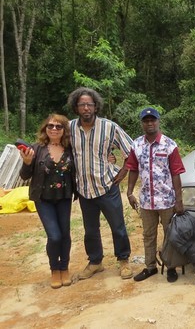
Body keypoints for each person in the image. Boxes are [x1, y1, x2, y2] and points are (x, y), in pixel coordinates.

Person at [68, 87, 134, 280]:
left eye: (90, 104)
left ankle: (123, 261)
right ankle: (95, 262)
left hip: (107, 186)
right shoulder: (70, 128)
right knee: (90, 230)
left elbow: (132, 150)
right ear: (76, 107)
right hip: (84, 189)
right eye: (82, 105)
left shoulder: (109, 127)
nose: (86, 108)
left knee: (118, 226)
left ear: (96, 106)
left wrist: (122, 172)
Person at [125, 107, 185, 283]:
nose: (149, 123)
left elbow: (176, 173)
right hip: (146, 201)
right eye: (146, 121)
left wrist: (179, 200)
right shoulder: (136, 145)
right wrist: (129, 192)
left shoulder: (169, 145)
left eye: (153, 120)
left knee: (169, 235)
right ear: (142, 123)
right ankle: (150, 266)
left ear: (158, 121)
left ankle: (171, 266)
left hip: (166, 200)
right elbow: (133, 169)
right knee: (148, 235)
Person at [19, 114, 76, 289]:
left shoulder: (71, 149)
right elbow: (24, 176)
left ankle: (64, 268)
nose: (54, 129)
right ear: (45, 128)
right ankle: (54, 269)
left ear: (64, 130)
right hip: (43, 199)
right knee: (55, 236)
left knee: (65, 234)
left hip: (64, 197)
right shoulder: (37, 149)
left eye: (58, 127)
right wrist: (27, 162)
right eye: (50, 126)